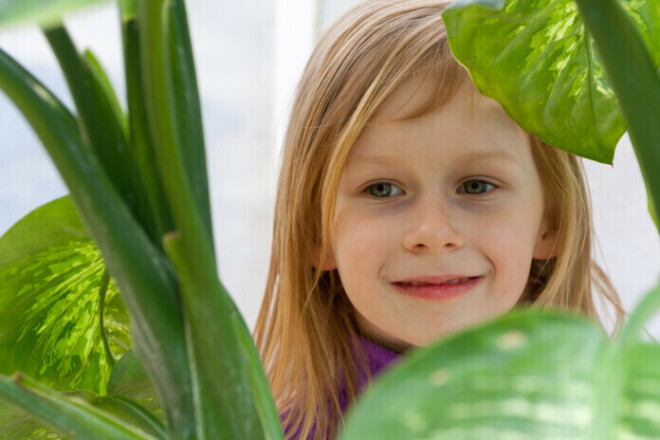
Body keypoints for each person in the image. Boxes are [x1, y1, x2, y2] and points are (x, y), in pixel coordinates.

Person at [253, 1, 625, 439]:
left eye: (476, 186)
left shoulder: (619, 419)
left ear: (552, 221)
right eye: (382, 189)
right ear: (316, 232)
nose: (433, 234)